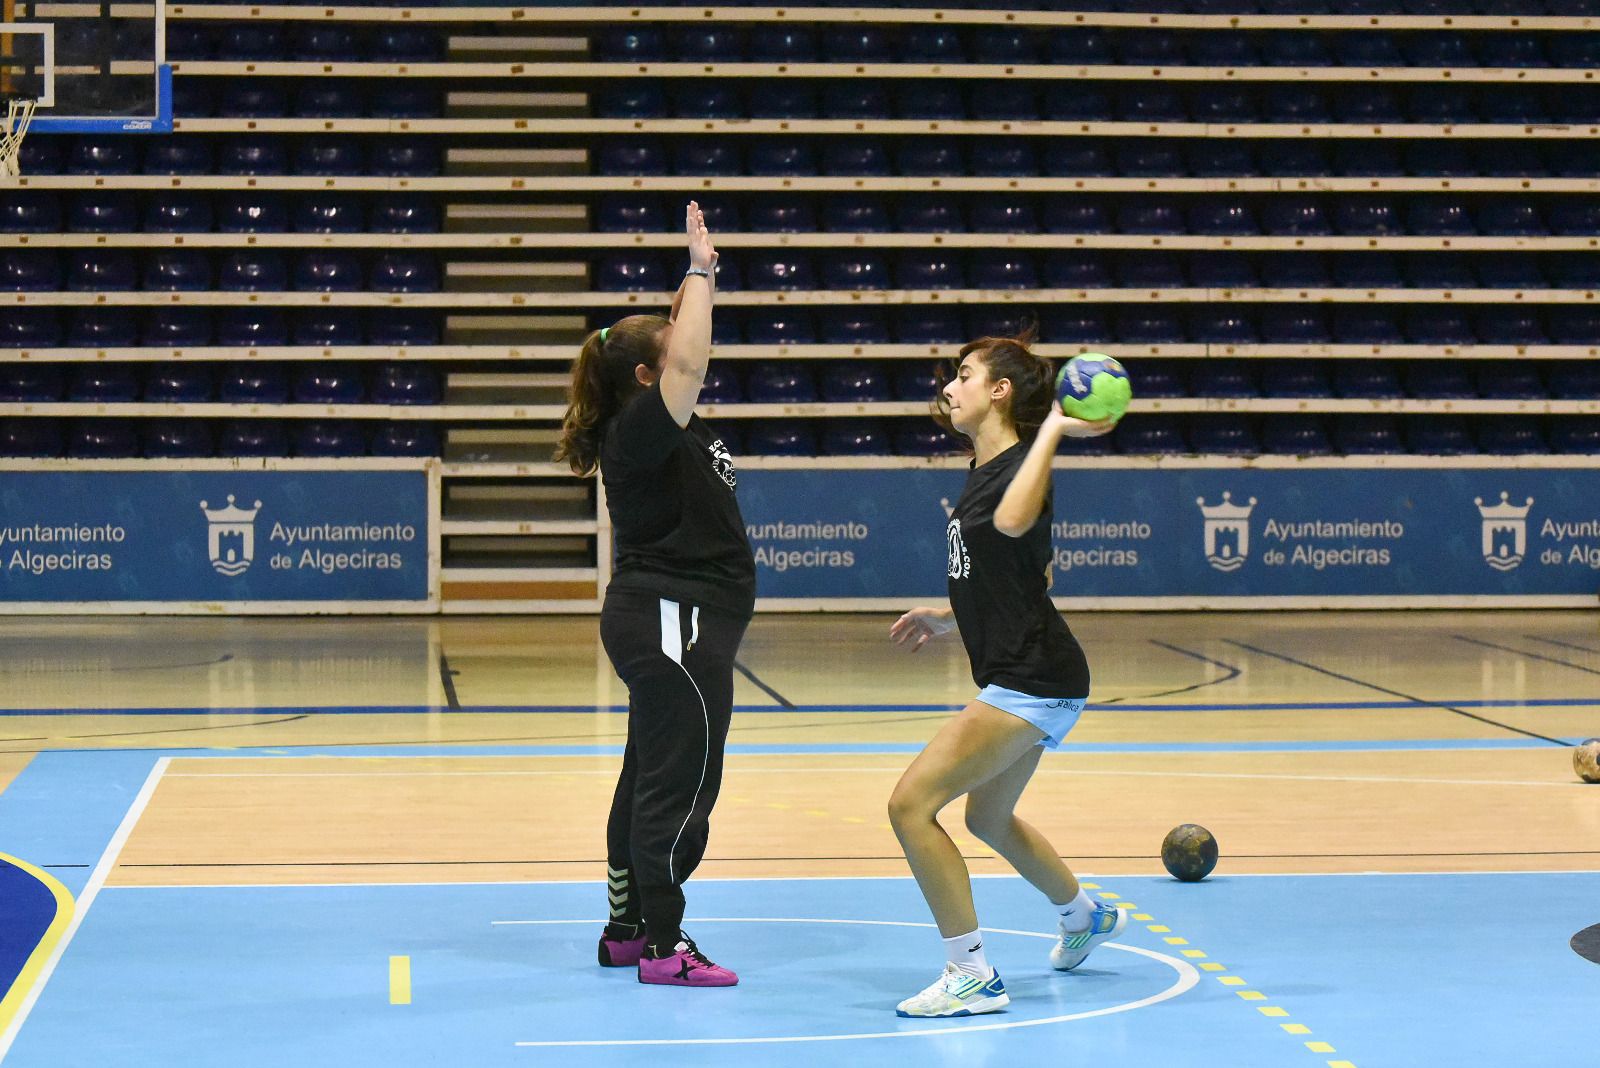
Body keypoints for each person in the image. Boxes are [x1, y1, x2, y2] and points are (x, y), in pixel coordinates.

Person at [885, 330, 1123, 1018]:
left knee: (909, 806)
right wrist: (945, 618)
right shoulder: (982, 471)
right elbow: (1025, 578)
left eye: (965, 374)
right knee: (987, 817)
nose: (950, 386)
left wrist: (1051, 431)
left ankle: (970, 974)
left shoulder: (1023, 463)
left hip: (1033, 675)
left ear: (1000, 391)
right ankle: (1084, 916)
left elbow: (1017, 522)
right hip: (1032, 669)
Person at [555, 202, 752, 988]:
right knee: (682, 785)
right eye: (672, 351)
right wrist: (700, 273)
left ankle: (627, 928)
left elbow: (680, 347)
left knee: (648, 773)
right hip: (673, 619)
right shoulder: (643, 426)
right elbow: (687, 362)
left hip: (677, 619)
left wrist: (692, 279)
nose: (693, 352)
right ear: (646, 378)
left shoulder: (648, 420)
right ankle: (667, 946)